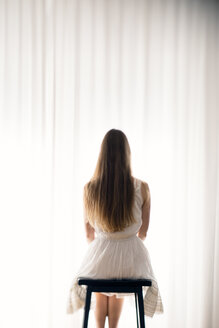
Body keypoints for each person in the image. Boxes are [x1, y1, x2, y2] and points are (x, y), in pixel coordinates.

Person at [67, 129, 163, 328]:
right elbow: (143, 232)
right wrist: (124, 244)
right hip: (132, 262)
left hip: (101, 257)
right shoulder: (142, 187)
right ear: (127, 154)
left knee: (103, 271)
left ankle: (100, 326)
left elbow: (88, 234)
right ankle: (113, 327)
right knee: (120, 269)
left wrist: (106, 246)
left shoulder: (90, 189)